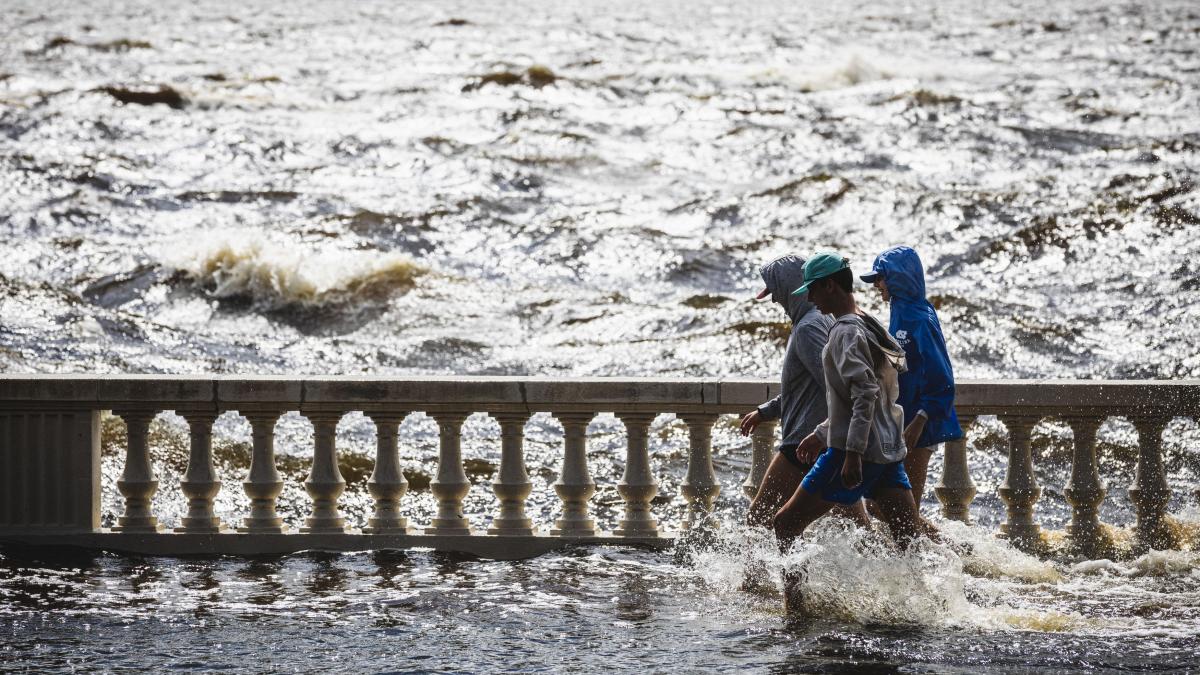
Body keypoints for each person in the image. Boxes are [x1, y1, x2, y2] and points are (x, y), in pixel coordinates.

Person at [770, 252, 920, 556]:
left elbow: (864, 393)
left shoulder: (843, 331)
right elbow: (884, 382)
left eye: (812, 289)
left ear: (829, 287)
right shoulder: (869, 322)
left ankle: (796, 605)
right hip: (888, 452)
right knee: (911, 542)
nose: (810, 299)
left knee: (784, 525)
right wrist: (822, 433)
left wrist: (851, 453)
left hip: (851, 453)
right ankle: (936, 600)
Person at [740, 255, 869, 529]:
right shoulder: (815, 321)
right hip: (823, 441)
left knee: (759, 521)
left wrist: (821, 435)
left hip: (804, 443)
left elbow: (833, 388)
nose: (774, 300)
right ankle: (907, 565)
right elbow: (809, 387)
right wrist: (766, 412)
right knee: (859, 528)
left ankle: (762, 574)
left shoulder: (808, 327)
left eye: (775, 292)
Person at [860, 246, 962, 526]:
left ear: (898, 278)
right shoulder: (900, 312)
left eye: (880, 278)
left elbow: (943, 379)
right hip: (901, 425)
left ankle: (958, 558)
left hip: (917, 428)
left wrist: (920, 420)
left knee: (903, 515)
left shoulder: (919, 318)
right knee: (885, 508)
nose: (877, 285)